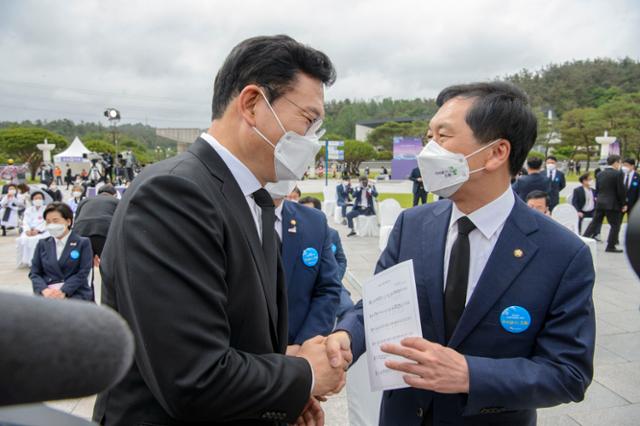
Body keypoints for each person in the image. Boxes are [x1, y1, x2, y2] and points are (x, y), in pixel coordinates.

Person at [93, 35, 346, 426]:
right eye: (308, 120)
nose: (311, 140)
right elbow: (194, 376)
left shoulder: (255, 200)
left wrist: (285, 396)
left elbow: (246, 340)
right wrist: (306, 375)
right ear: (251, 104)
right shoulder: (175, 194)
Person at [326, 82, 595, 426]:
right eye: (429, 136)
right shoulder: (413, 224)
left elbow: (568, 373)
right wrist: (345, 335)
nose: (428, 150)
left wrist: (470, 373)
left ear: (497, 152)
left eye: (443, 136)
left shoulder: (561, 253)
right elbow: (375, 308)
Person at [265, 181, 341, 354]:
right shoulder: (222, 213)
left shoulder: (314, 221)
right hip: (242, 362)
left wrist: (304, 346)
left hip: (302, 353)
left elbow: (328, 289)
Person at [299, 195, 353, 319]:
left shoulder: (332, 234)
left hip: (331, 282)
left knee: (348, 309)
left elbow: (341, 260)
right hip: (304, 285)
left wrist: (333, 279)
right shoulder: (294, 235)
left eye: (309, 213)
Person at [30, 202, 93, 301]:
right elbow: (34, 273)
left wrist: (64, 291)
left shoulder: (82, 243)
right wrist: (44, 290)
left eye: (55, 221)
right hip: (48, 294)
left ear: (68, 221)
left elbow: (83, 272)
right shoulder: (42, 244)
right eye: (48, 221)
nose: (51, 225)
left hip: (75, 293)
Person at [583, 155, 626, 253]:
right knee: (615, 225)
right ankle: (611, 246)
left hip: (601, 202)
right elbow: (620, 190)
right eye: (619, 162)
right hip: (612, 203)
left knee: (595, 223)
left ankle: (583, 239)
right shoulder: (618, 174)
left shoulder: (600, 174)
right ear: (615, 162)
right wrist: (623, 203)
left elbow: (598, 189)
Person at [73, 184, 119, 266]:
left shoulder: (85, 200)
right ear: (114, 195)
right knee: (110, 265)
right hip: (104, 232)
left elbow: (76, 219)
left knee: (82, 265)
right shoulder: (116, 201)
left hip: (80, 232)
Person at [16, 191, 50, 267]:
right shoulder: (29, 210)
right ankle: (25, 260)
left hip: (43, 231)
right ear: (32, 200)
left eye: (40, 198)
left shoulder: (46, 210)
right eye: (36, 198)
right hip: (29, 231)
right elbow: (25, 221)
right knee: (24, 239)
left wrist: (38, 230)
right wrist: (27, 230)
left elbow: (46, 222)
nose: (38, 200)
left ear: (43, 200)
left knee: (34, 240)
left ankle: (34, 262)